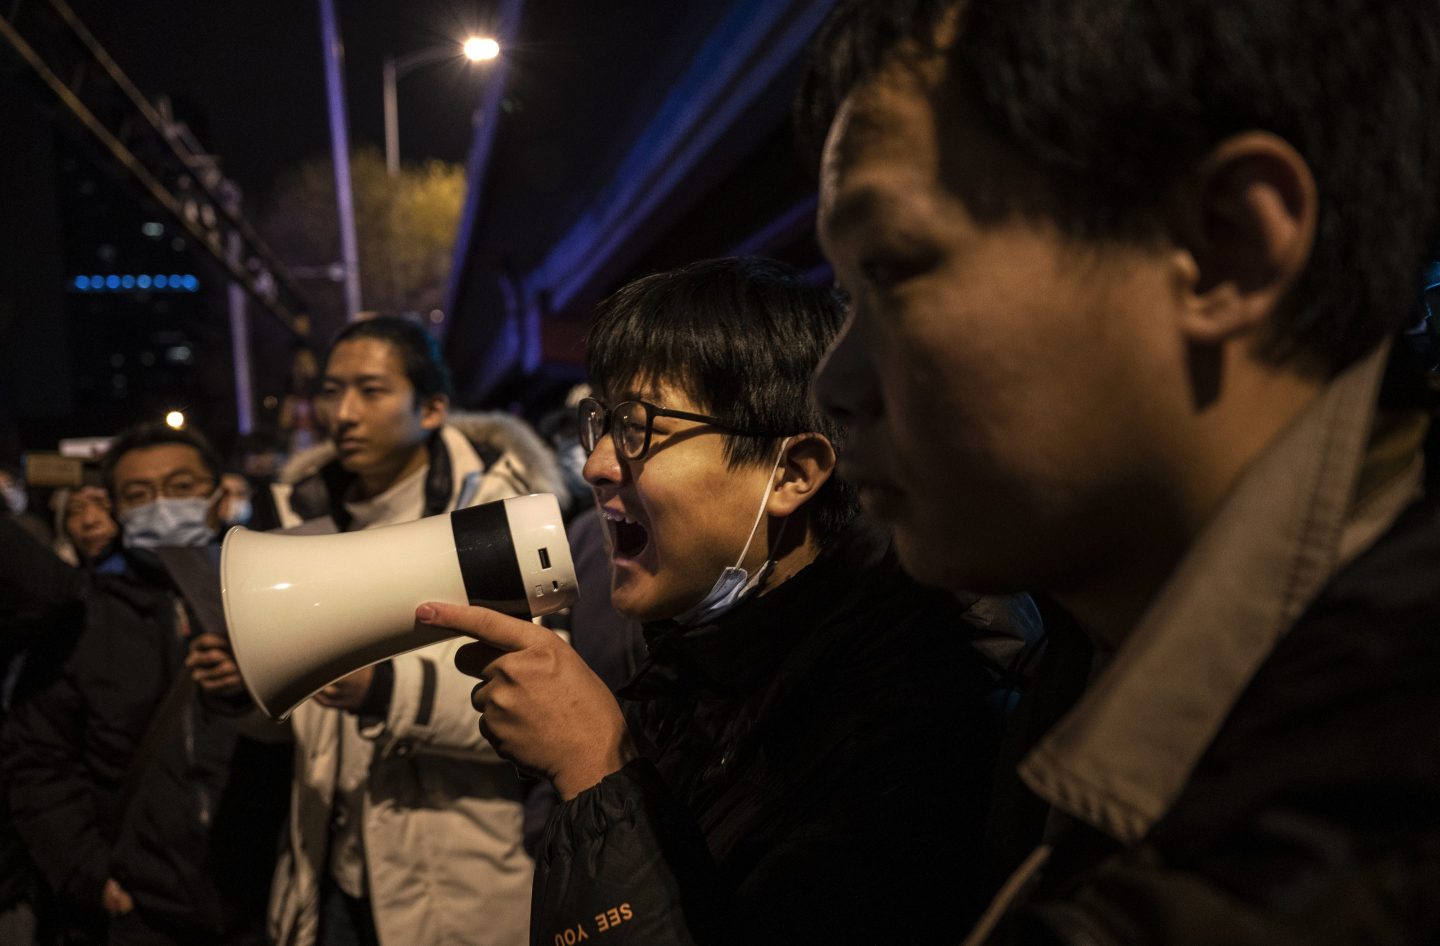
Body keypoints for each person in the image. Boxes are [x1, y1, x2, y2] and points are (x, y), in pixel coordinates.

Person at [797, 1, 1440, 943]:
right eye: (845, 296)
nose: (833, 385)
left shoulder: (1358, 848)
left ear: (1225, 248)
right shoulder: (1090, 650)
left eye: (892, 268)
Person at [423, 257, 1041, 943]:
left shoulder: (918, 720)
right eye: (601, 422)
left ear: (793, 474)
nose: (597, 465)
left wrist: (596, 772)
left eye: (639, 426)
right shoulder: (698, 664)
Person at [188, 315, 570, 946]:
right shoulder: (294, 517)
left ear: (432, 409)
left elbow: (547, 696)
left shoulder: (500, 520)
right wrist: (241, 688)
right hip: (332, 872)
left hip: (456, 881)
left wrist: (386, 691)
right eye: (331, 391)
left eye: (371, 390)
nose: (343, 413)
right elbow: (293, 716)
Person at [2, 422, 285, 945]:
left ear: (220, 496)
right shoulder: (79, 618)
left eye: (181, 487)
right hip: (138, 912)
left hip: (269, 900)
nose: (160, 505)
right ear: (115, 509)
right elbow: (39, 758)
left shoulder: (279, 595)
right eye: (137, 495)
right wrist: (89, 875)